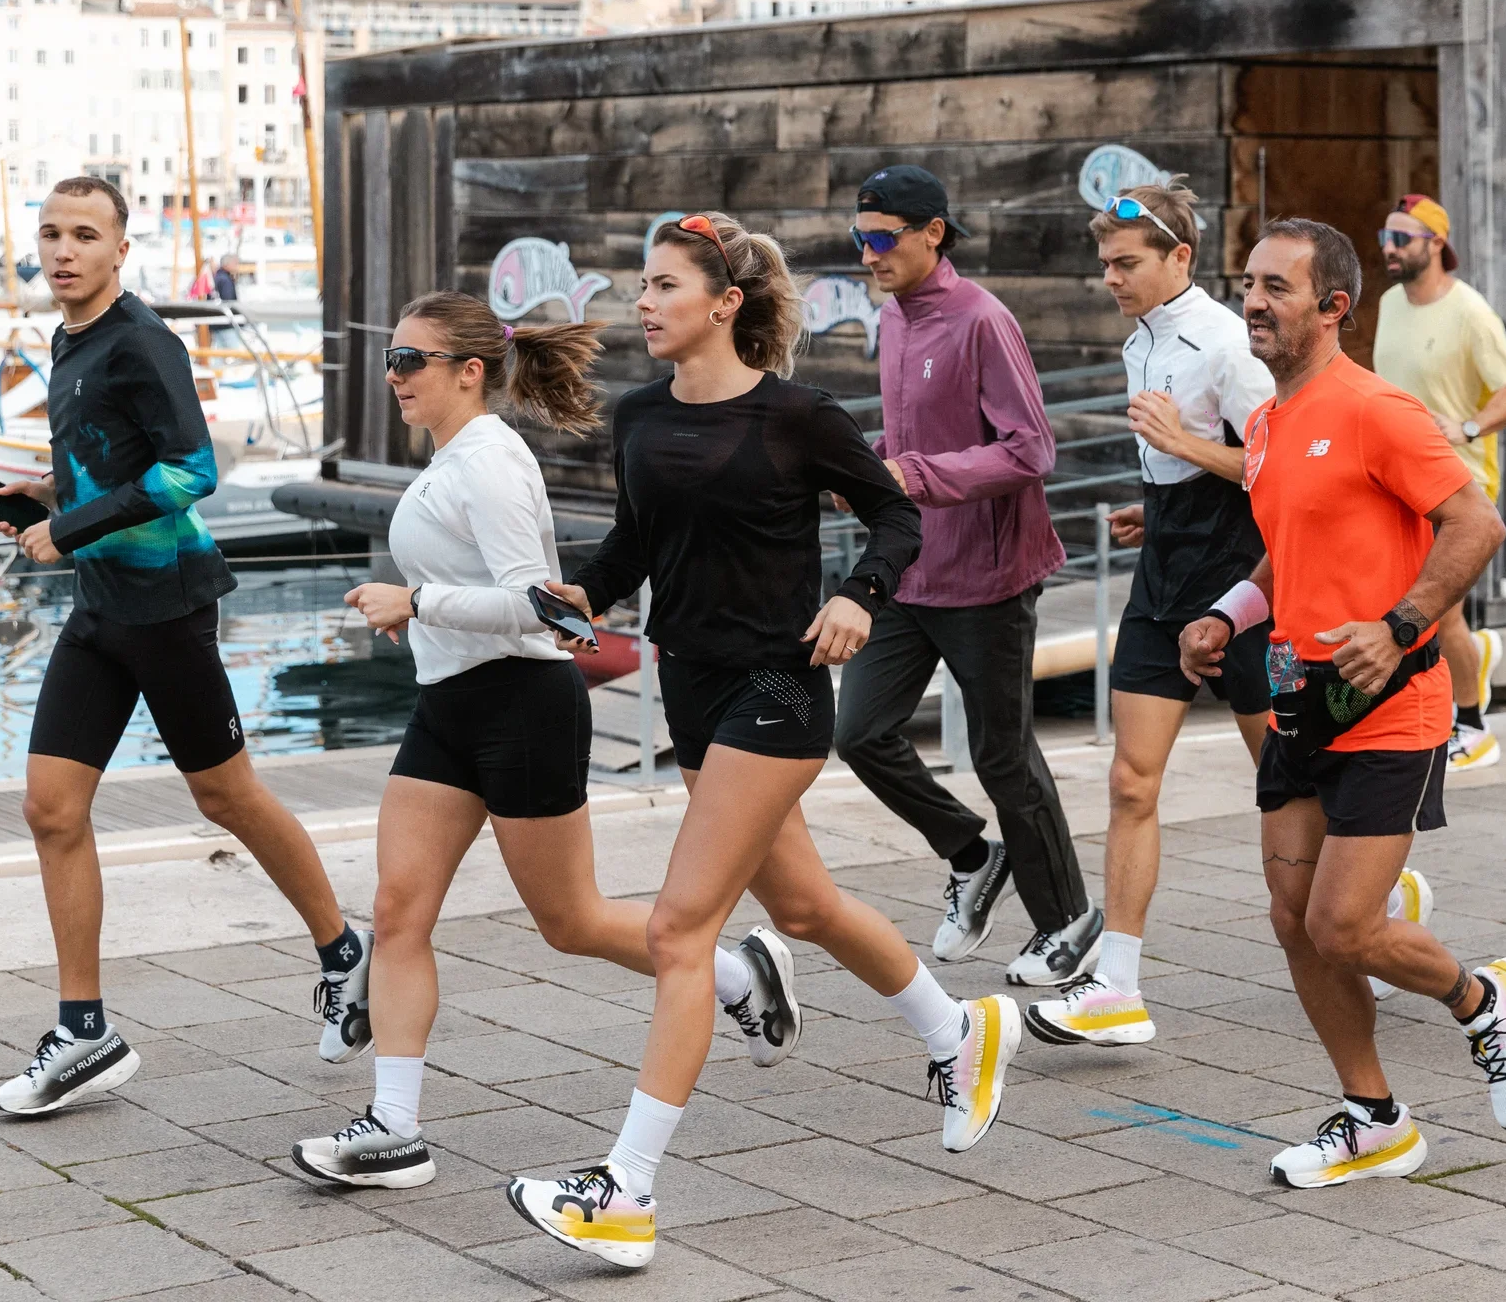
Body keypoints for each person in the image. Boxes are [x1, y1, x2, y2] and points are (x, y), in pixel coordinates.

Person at [506, 214, 1017, 1272]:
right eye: (643, 285)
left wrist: (860, 595)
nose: (644, 302)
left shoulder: (798, 416)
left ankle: (626, 1190)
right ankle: (957, 1031)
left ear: (725, 304)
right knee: (805, 908)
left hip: (777, 690)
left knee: (680, 929)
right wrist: (583, 594)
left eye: (665, 285)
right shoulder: (642, 415)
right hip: (691, 689)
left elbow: (895, 517)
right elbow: (637, 544)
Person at [292, 291, 801, 1190]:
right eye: (390, 359)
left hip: (521, 703)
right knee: (399, 911)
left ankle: (737, 975)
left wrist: (418, 602)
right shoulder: (451, 457)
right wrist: (423, 615)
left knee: (569, 923)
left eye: (409, 360)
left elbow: (542, 608)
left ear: (469, 371)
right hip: (447, 705)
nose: (393, 375)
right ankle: (395, 1130)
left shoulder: (490, 460)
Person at [1173, 217, 1506, 1188]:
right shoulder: (1266, 423)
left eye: (1277, 287)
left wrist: (1400, 624)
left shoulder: (1379, 410)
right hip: (1300, 700)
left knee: (1343, 925)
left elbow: (1477, 522)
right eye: (1248, 283)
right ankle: (1374, 1117)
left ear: (1333, 307)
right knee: (1292, 916)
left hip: (1392, 702)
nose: (1253, 301)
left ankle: (1485, 1002)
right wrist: (1226, 613)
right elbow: (1288, 551)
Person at [0, 176, 370, 1116]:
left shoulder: (143, 340)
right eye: (51, 233)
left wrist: (70, 530)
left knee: (225, 796)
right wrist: (49, 495)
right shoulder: (69, 339)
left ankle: (344, 952)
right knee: (51, 810)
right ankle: (85, 1032)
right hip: (100, 609)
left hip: (166, 609)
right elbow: (118, 456)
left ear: (121, 250)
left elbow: (193, 470)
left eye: (85, 234)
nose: (63, 249)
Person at [832, 164, 1101, 988]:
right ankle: (973, 854)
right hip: (911, 565)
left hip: (989, 575)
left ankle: (1068, 922)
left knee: (1002, 756)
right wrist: (866, 467)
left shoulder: (984, 319)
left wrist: (913, 474)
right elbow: (914, 435)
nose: (868, 255)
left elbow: (1031, 450)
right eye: (859, 239)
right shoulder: (895, 316)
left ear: (933, 233)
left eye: (882, 239)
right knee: (859, 732)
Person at [1028, 177, 1281, 1049]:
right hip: (1164, 575)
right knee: (1131, 781)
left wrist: (1182, 446)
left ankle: (1376, 894)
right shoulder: (1142, 339)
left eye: (1126, 263)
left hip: (1242, 583)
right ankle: (1118, 989)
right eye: (1105, 263)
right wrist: (1160, 502)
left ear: (1180, 257)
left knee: (1282, 779)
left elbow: (1281, 468)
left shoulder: (1228, 344)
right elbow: (1194, 463)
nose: (1111, 277)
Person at [1369, 193, 1506, 771]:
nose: (1389, 249)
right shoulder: (1389, 302)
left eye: (1401, 239)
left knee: (1440, 612)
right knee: (1406, 602)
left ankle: (1474, 729)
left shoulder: (1470, 312)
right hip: (1397, 484)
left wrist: (1466, 427)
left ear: (1436, 243)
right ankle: (1463, 672)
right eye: (1385, 238)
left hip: (1459, 487)